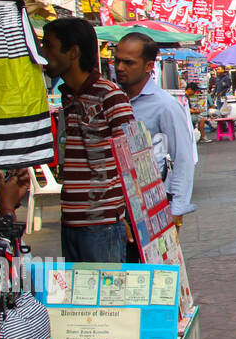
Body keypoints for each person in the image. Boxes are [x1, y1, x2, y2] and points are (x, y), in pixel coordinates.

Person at [42, 18, 136, 263]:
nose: (43, 52)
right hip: (71, 221)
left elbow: (130, 161)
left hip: (101, 225)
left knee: (107, 301)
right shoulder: (67, 98)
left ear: (72, 52)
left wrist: (123, 217)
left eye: (48, 45)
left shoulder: (110, 96)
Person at [114, 33, 197, 227]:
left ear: (149, 66)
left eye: (128, 63)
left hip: (152, 201)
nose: (120, 68)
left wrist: (178, 207)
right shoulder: (112, 100)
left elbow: (183, 157)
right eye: (117, 61)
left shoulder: (165, 105)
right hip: (115, 205)